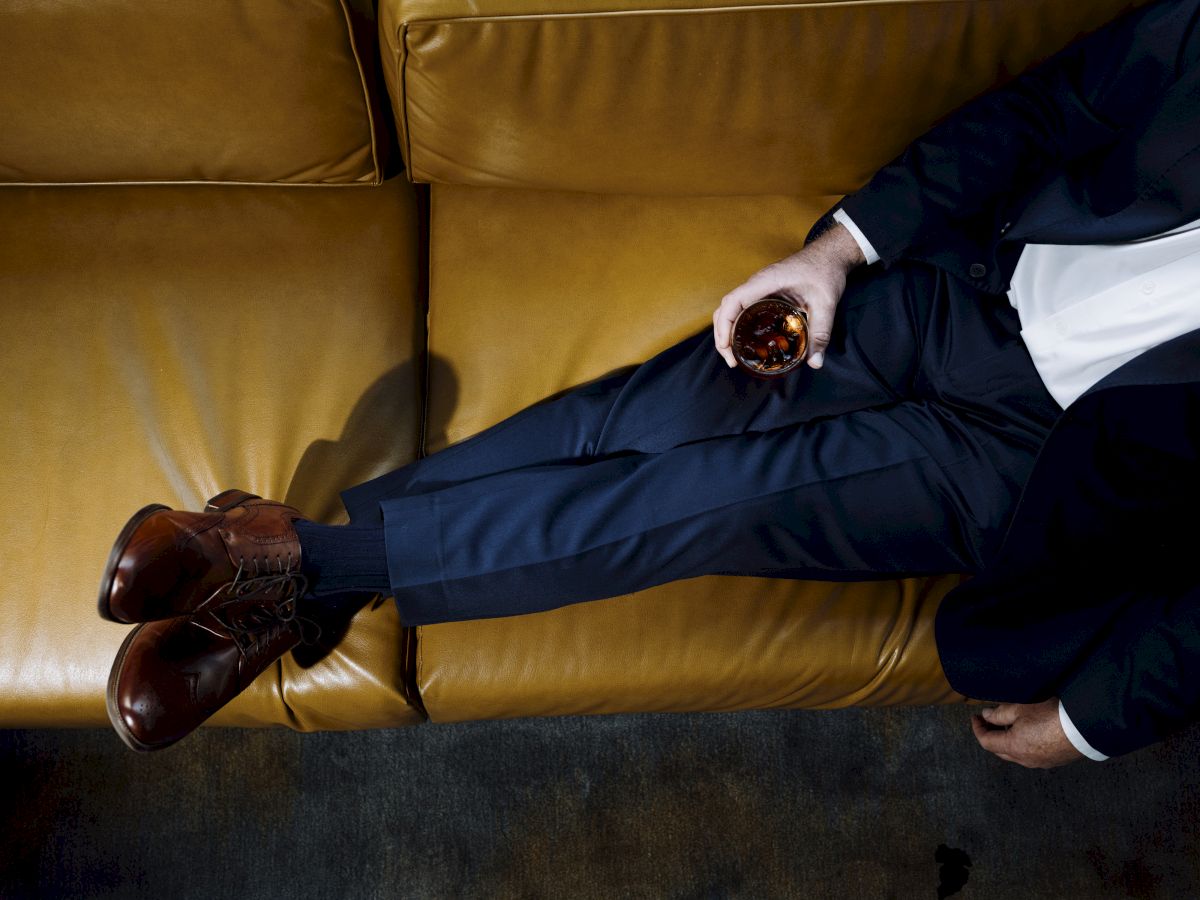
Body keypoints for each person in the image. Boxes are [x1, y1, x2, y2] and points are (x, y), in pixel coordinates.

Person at [99, 0, 1200, 763]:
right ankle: (307, 578)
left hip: (1047, 469)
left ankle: (295, 568)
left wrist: (1100, 718)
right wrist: (838, 252)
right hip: (965, 287)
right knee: (654, 412)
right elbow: (1049, 109)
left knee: (700, 501)